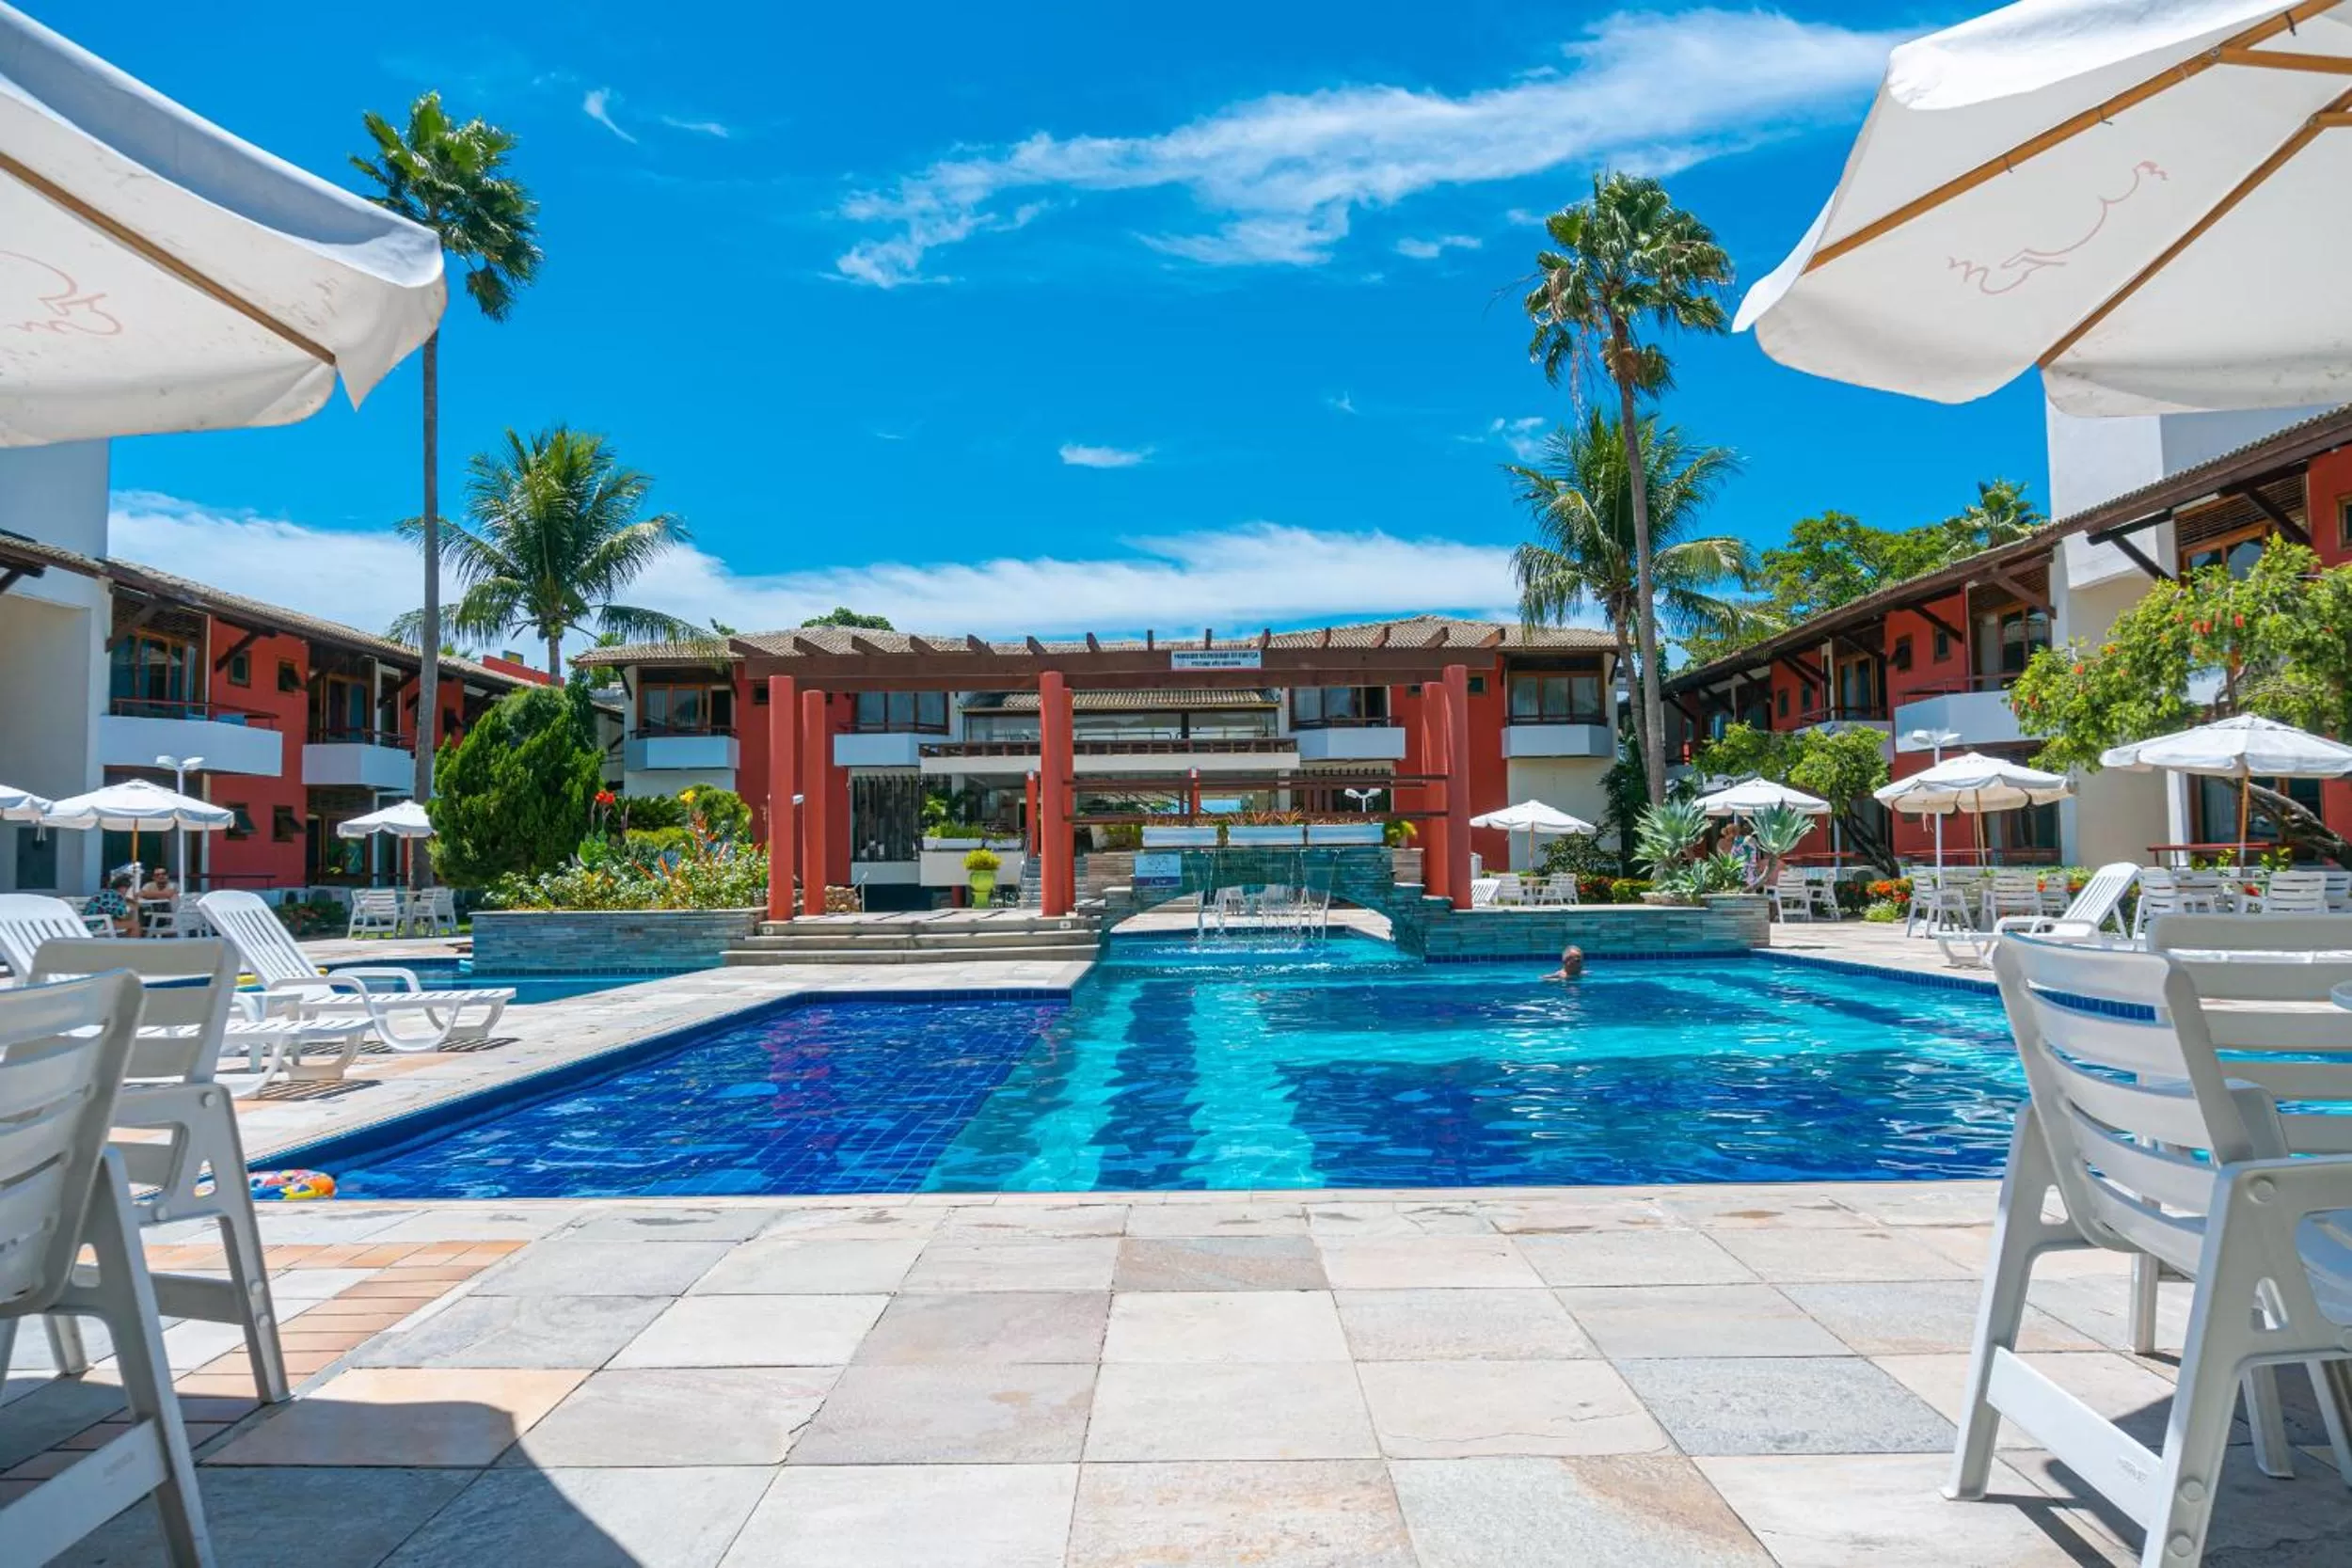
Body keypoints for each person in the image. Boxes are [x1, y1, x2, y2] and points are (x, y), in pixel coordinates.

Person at [88, 870, 140, 937]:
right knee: (135, 925)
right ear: (123, 888)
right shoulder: (116, 896)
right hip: (98, 924)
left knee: (127, 924)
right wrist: (131, 906)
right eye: (127, 888)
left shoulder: (104, 892)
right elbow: (121, 915)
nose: (127, 891)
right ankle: (131, 946)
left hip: (90, 923)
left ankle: (125, 944)